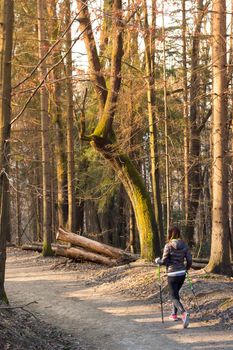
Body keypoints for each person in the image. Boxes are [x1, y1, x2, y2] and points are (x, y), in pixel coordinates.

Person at [155, 226, 192, 328]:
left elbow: (164, 261)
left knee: (173, 296)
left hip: (172, 274)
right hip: (182, 274)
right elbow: (189, 260)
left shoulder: (168, 246)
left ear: (170, 234)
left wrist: (157, 261)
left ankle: (183, 313)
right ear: (179, 234)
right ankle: (174, 315)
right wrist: (186, 268)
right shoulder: (184, 245)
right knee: (176, 294)